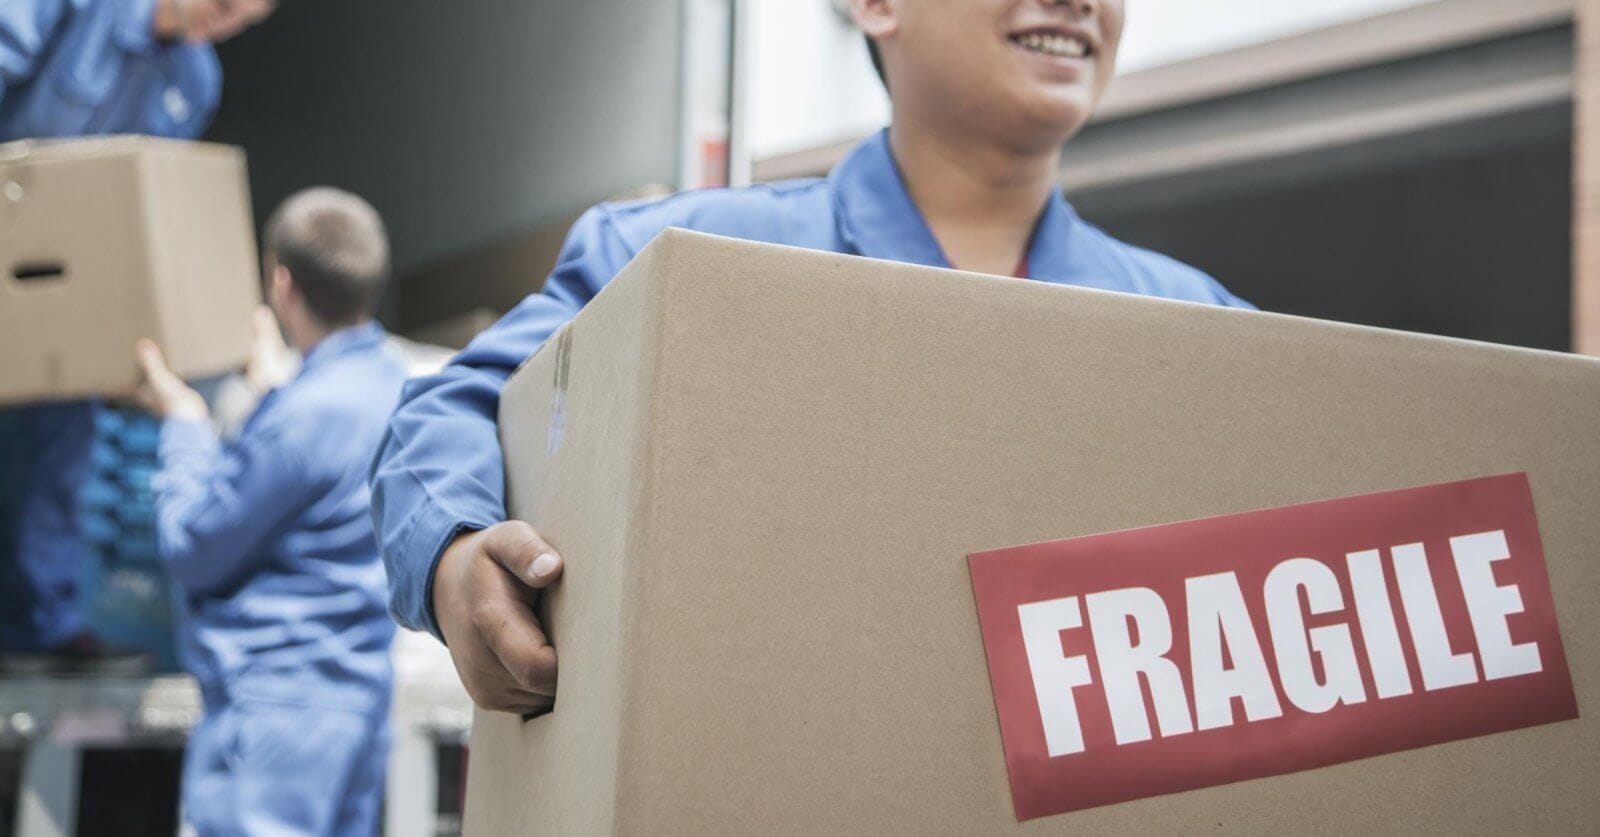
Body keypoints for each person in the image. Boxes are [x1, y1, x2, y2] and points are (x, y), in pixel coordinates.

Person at [371, 0, 1252, 715]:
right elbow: (453, 407)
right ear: (874, 7)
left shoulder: (1208, 330)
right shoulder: (676, 260)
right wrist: (454, 555)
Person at [0, 0, 277, 667]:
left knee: (61, 445)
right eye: (224, 3)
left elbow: (143, 206)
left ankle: (40, 628)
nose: (226, 21)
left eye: (245, 17)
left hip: (68, 287)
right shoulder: (70, 10)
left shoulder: (194, 80)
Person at [135, 188, 402, 836]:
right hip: (360, 701)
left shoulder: (301, 418)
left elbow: (195, 550)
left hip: (276, 709)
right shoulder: (400, 388)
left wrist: (186, 424)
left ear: (281, 283)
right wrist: (276, 394)